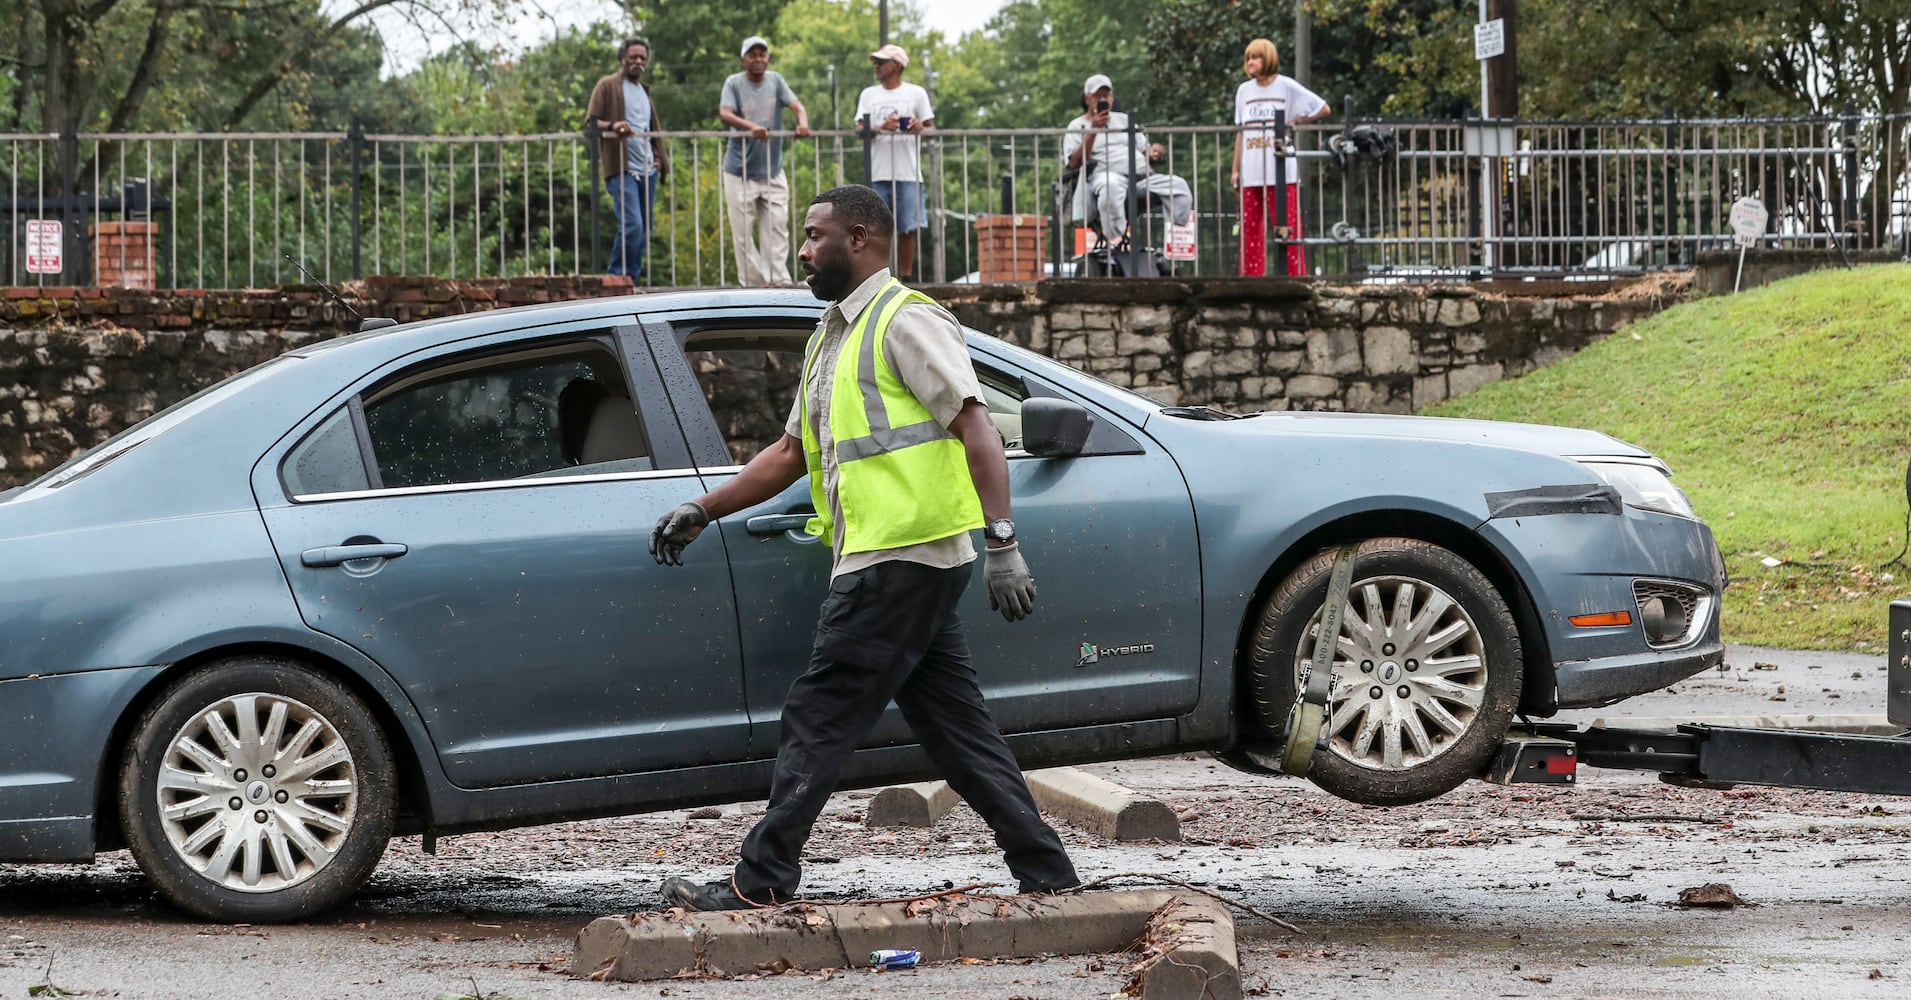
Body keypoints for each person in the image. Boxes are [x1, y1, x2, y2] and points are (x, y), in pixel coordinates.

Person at [649, 184, 1081, 911]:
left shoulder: (905, 321)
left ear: (859, 239)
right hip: (892, 557)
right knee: (958, 732)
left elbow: (975, 426)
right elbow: (790, 452)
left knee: (818, 716)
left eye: (814, 235)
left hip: (901, 555)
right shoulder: (830, 334)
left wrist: (1003, 540)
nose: (803, 248)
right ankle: (1048, 873)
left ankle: (759, 883)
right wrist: (704, 507)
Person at [1231, 38, 1331, 277]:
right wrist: (1235, 169)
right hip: (1251, 168)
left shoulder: (1285, 86)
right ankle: (1252, 278)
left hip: (1281, 167)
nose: (1251, 62)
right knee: (1250, 229)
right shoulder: (1244, 90)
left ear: (1268, 58)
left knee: (1287, 226)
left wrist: (1295, 121)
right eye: (1248, 58)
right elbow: (1241, 131)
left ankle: (1294, 276)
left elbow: (1322, 108)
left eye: (1256, 57)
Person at [718, 35, 811, 287]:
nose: (758, 59)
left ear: (767, 59)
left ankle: (778, 280)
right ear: (743, 59)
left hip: (772, 168)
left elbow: (797, 106)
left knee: (777, 226)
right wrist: (751, 126)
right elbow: (725, 113)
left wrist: (802, 123)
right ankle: (754, 283)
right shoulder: (734, 83)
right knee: (743, 234)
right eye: (752, 54)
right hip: (739, 170)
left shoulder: (776, 80)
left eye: (762, 54)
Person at [1063, 74, 1192, 252]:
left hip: (1140, 175)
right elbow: (1073, 163)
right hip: (1107, 175)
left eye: (1106, 95)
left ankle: (1178, 225)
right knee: (1111, 187)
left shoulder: (1124, 120)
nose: (1103, 99)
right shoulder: (1077, 125)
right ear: (1088, 99)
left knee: (1178, 185)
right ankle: (1115, 235)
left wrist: (1154, 152)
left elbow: (1144, 150)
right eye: (1098, 96)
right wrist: (1093, 130)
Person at [585, 38, 672, 280]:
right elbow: (590, 123)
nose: (638, 62)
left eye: (642, 58)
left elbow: (650, 128)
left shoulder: (644, 91)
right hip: (621, 168)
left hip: (647, 169)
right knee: (632, 226)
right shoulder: (608, 85)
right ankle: (617, 277)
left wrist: (658, 156)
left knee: (644, 230)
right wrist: (614, 125)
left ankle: (630, 280)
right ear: (622, 58)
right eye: (633, 57)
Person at [855, 43, 934, 280]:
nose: (876, 66)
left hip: (908, 171)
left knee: (907, 228)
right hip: (879, 171)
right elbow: (859, 128)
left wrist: (919, 126)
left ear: (897, 65)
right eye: (876, 62)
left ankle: (907, 277)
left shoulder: (916, 93)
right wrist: (880, 127)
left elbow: (931, 129)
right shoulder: (869, 94)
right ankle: (879, 277)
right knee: (876, 228)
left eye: (881, 62)